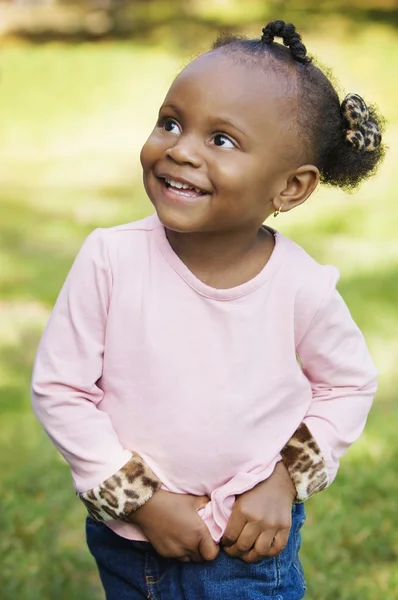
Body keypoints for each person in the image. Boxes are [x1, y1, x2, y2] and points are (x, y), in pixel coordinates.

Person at [31, 20, 385, 600]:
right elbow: (61, 387)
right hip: (129, 542)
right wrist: (140, 499)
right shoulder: (110, 258)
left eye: (221, 140)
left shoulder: (300, 286)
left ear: (291, 187)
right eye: (171, 122)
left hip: (248, 546)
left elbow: (348, 386)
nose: (179, 149)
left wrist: (284, 480)